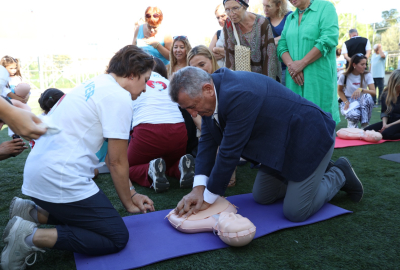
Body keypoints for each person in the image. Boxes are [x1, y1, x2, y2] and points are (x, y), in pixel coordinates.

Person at [1, 45, 156, 270]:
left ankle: (31, 212)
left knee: (89, 220)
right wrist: (129, 203)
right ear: (131, 74)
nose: (145, 88)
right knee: (115, 236)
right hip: (59, 177)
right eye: (145, 80)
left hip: (40, 172)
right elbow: (116, 161)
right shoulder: (118, 96)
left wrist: (132, 192)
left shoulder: (97, 82)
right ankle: (27, 237)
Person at [169, 67, 363, 222]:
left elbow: (228, 152)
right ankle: (313, 175)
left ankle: (340, 173)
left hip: (309, 137)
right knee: (262, 196)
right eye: (188, 110)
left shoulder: (238, 94)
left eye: (193, 107)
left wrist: (208, 198)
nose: (192, 114)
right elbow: (207, 141)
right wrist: (198, 188)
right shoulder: (212, 95)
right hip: (280, 144)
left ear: (207, 89)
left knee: (295, 211)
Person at [127, 57, 195, 192]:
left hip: (147, 131)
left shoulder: (135, 82)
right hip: (178, 131)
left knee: (124, 167)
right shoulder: (168, 83)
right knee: (168, 161)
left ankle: (148, 170)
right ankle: (179, 168)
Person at [277, 0, 340, 123]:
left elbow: (328, 39)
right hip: (294, 81)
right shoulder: (290, 17)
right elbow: (281, 45)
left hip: (317, 81)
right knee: (297, 128)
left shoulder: (325, 7)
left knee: (321, 126)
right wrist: (292, 66)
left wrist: (302, 63)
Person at [187, 45, 236, 187]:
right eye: (195, 68)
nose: (200, 70)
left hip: (228, 127)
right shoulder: (191, 88)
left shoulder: (227, 77)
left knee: (228, 181)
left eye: (202, 64)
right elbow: (196, 118)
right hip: (205, 127)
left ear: (211, 60)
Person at [223, 0, 281, 80]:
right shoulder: (228, 24)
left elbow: (270, 56)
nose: (231, 13)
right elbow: (229, 55)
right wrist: (232, 81)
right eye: (227, 9)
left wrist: (267, 84)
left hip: (262, 76)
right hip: (242, 77)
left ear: (244, 6)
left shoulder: (262, 23)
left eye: (235, 8)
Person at [0, 66, 45, 140]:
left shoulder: (17, 78)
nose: (13, 70)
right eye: (11, 68)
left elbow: (27, 90)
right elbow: (7, 92)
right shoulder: (4, 78)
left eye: (15, 68)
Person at [364, 69, 400, 140]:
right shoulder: (385, 94)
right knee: (366, 130)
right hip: (392, 120)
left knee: (386, 134)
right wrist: (384, 125)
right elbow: (384, 112)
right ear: (395, 82)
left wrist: (389, 126)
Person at [338, 53, 376, 129]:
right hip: (349, 101)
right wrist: (346, 102)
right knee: (354, 115)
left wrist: (361, 89)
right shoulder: (344, 76)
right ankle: (352, 125)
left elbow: (374, 92)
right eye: (362, 64)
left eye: (365, 64)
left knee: (367, 96)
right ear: (354, 64)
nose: (365, 66)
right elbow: (339, 91)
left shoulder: (367, 75)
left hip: (363, 101)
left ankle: (364, 125)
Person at [263, 0, 291, 85]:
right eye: (263, 6)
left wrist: (270, 42)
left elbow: (290, 36)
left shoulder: (290, 17)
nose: (265, 9)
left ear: (278, 5)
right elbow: (262, 43)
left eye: (268, 6)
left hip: (288, 66)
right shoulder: (264, 21)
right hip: (272, 68)